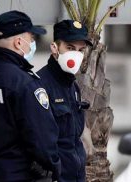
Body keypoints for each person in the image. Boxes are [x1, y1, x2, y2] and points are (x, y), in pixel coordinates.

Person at [0, 11, 61, 182]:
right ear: (19, 42)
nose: (32, 44)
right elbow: (43, 138)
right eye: (31, 38)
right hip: (19, 175)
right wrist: (55, 169)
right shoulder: (24, 83)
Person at [37, 20, 92, 182]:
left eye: (81, 50)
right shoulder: (39, 85)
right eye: (69, 48)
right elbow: (39, 143)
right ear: (55, 48)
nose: (76, 55)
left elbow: (73, 139)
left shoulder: (73, 87)